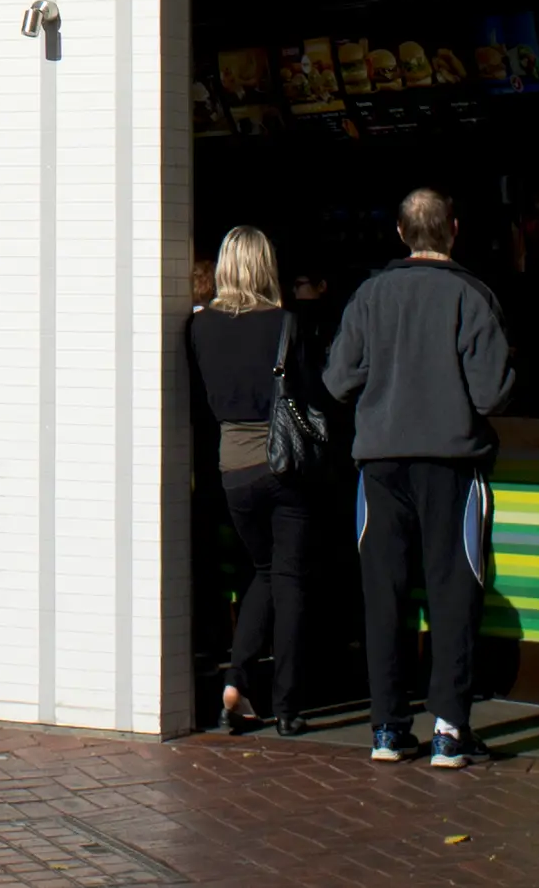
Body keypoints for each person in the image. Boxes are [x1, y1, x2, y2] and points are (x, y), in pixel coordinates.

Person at [322, 186, 516, 770]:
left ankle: (387, 727)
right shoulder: (472, 296)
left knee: (383, 595)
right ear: (453, 230)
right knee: (454, 592)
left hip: (379, 464)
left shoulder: (369, 296)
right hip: (453, 464)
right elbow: (494, 392)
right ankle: (449, 732)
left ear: (401, 233)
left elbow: (337, 380)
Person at [186, 226, 315, 733]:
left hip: (232, 467)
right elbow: (310, 392)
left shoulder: (199, 327)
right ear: (267, 266)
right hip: (284, 463)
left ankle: (237, 680)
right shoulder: (285, 322)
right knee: (289, 580)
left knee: (262, 570)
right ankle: (288, 706)